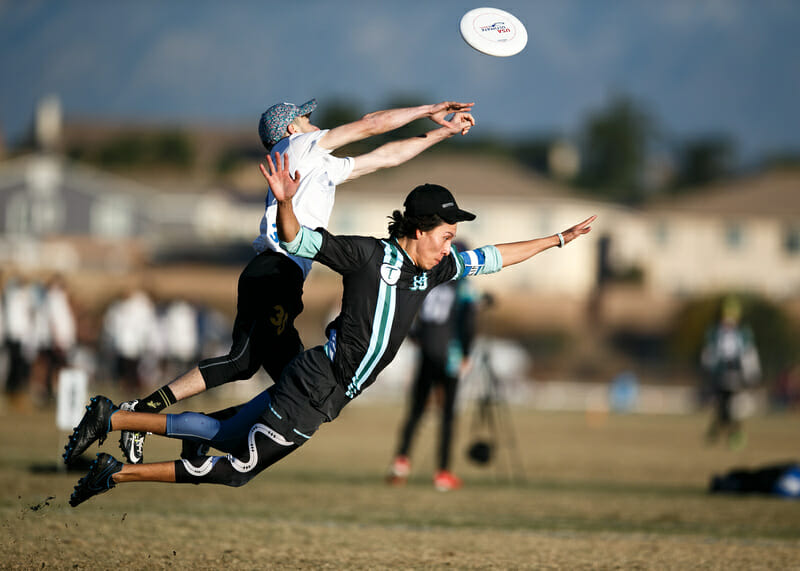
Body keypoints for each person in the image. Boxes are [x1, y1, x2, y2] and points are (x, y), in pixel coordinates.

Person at [63, 152, 595, 507]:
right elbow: (299, 242)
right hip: (316, 384)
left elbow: (496, 258)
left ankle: (113, 416)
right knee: (238, 468)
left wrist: (557, 240)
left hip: (324, 391)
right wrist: (287, 204)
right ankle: (114, 473)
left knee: (222, 434)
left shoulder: (438, 270)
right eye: (446, 233)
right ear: (418, 228)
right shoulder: (367, 255)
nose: (451, 244)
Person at [115, 98, 476, 465]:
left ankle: (195, 429)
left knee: (291, 379)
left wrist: (441, 132)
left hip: (280, 274)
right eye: (306, 117)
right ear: (290, 129)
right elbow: (371, 124)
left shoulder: (317, 164)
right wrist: (428, 109)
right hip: (276, 270)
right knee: (248, 363)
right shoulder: (299, 146)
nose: (314, 122)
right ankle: (141, 412)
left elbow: (389, 156)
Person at [387, 243, 480, 491]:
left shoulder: (429, 280)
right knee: (448, 415)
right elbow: (469, 320)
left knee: (416, 411)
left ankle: (400, 463)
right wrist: (467, 353)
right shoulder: (463, 286)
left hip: (426, 352)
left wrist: (419, 339)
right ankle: (443, 472)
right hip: (450, 355)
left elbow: (409, 316)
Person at [701, 296, 761, 449]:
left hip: (736, 373)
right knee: (722, 405)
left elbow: (749, 354)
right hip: (719, 374)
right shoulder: (714, 332)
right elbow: (709, 352)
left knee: (733, 406)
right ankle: (718, 427)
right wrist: (707, 368)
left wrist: (752, 373)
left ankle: (735, 435)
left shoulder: (743, 333)